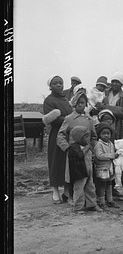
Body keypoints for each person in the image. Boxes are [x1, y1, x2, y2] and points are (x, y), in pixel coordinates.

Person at [57, 89, 98, 204]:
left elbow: (94, 136)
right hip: (74, 154)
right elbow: (60, 135)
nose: (80, 105)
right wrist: (68, 148)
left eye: (83, 103)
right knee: (74, 176)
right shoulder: (69, 119)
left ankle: (91, 203)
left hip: (87, 154)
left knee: (89, 177)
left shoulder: (89, 120)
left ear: (86, 104)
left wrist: (90, 147)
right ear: (74, 103)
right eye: (78, 103)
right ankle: (73, 199)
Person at [43, 75, 72, 204]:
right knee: (55, 161)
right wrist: (68, 119)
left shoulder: (66, 100)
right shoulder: (49, 101)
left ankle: (66, 190)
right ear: (50, 86)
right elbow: (53, 120)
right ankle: (55, 190)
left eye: (61, 82)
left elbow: (71, 113)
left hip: (68, 134)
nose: (59, 85)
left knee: (66, 161)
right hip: (56, 134)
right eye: (55, 83)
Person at [68, 125, 102, 213]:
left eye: (88, 136)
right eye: (85, 137)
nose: (88, 139)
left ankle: (92, 204)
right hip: (79, 173)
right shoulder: (73, 147)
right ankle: (78, 207)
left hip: (89, 171)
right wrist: (87, 148)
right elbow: (79, 155)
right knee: (79, 190)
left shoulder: (87, 146)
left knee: (90, 188)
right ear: (79, 137)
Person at [95, 71, 123, 139]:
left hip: (117, 127)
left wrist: (104, 107)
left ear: (121, 84)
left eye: (117, 82)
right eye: (113, 81)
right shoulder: (103, 92)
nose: (115, 84)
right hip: (102, 125)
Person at [94, 122, 119, 209]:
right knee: (102, 185)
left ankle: (110, 200)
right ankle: (101, 202)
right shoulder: (98, 144)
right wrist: (111, 155)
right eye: (103, 133)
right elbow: (99, 156)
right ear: (99, 135)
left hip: (110, 168)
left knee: (109, 184)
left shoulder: (111, 144)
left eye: (108, 133)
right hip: (102, 168)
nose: (106, 135)